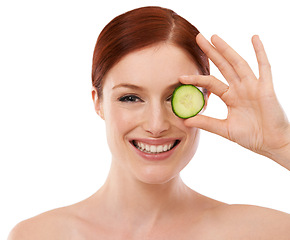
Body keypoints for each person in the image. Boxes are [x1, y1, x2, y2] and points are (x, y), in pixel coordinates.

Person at [8, 6, 290, 239]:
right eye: (131, 98)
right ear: (98, 101)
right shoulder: (36, 235)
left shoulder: (266, 232)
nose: (156, 125)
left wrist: (282, 144)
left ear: (205, 99)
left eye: (173, 98)